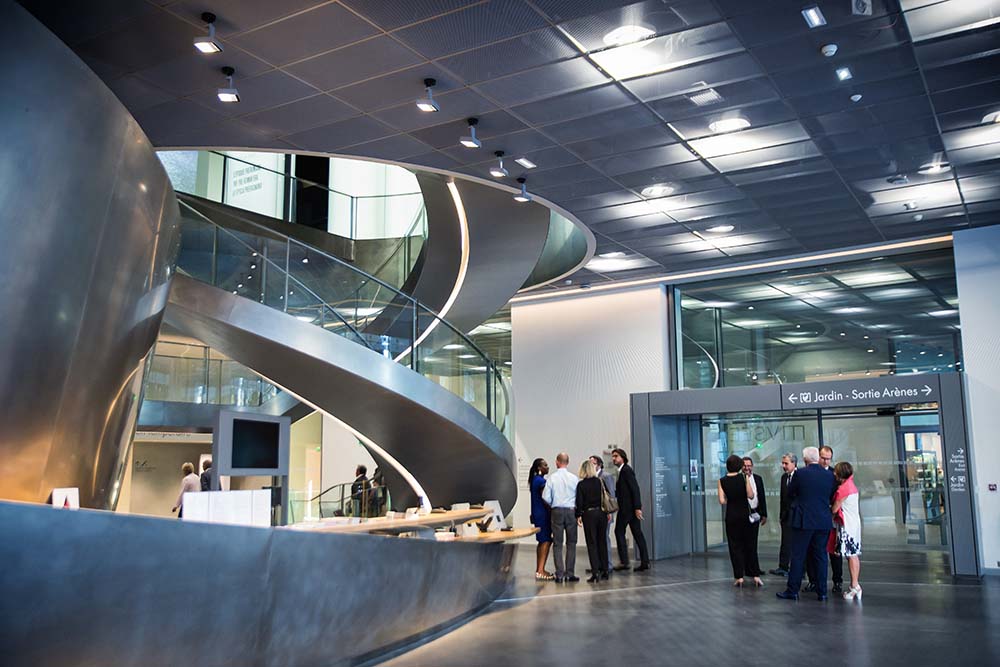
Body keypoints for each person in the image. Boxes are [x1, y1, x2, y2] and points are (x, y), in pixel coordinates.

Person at [777, 447, 836, 601]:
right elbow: (832, 495)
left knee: (798, 556)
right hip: (823, 521)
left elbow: (790, 493)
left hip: (803, 521)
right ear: (818, 458)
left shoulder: (800, 474)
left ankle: (792, 590)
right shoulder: (830, 475)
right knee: (821, 556)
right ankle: (822, 592)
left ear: (805, 460)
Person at [805, 445, 845, 594]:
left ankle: (837, 581)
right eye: (823, 458)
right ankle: (813, 581)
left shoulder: (835, 475)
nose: (826, 461)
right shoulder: (808, 473)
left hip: (830, 517)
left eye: (828, 459)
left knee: (834, 552)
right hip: (813, 517)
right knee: (812, 551)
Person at [718, 455, 760, 587]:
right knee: (750, 545)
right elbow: (751, 495)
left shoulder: (721, 480)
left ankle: (739, 577)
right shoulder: (743, 477)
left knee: (734, 546)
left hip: (731, 516)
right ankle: (755, 575)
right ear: (739, 466)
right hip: (745, 516)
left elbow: (722, 500)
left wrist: (731, 499)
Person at [542, 452, 580, 583]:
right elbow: (578, 496)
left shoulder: (552, 478)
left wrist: (554, 504)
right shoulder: (574, 478)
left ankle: (559, 574)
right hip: (571, 511)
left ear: (557, 462)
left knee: (557, 544)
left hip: (557, 511)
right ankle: (570, 573)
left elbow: (546, 497)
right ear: (567, 462)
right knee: (571, 543)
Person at [611, 448, 650, 572]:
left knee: (619, 531)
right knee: (637, 534)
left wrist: (638, 507)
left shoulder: (626, 471)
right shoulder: (622, 471)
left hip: (627, 509)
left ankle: (624, 561)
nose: (613, 458)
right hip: (630, 509)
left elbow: (635, 489)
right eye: (613, 456)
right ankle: (644, 561)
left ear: (622, 457)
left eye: (616, 456)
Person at [576, 460, 610, 583]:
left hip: (589, 515)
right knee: (602, 542)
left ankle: (595, 573)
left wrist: (578, 515)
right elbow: (606, 496)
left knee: (592, 543)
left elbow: (579, 502)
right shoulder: (600, 481)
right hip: (602, 513)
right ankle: (605, 570)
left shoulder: (581, 485)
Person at [833, 461, 862, 600]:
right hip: (853, 523)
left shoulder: (843, 489)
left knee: (851, 555)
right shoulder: (851, 485)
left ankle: (855, 586)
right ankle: (854, 585)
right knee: (853, 555)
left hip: (847, 525)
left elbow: (835, 508)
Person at [770, 453, 798, 576]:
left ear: (794, 463)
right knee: (785, 541)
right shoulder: (784, 477)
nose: (784, 466)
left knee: (797, 543)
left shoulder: (800, 476)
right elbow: (783, 498)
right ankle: (783, 566)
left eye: (786, 463)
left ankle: (798, 569)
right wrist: (781, 514)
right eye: (783, 463)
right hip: (786, 515)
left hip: (797, 515)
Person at [528, 458, 554, 581]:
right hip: (543, 514)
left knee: (542, 541)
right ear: (539, 468)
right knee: (546, 540)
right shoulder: (541, 481)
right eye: (545, 465)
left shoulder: (534, 480)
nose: (547, 467)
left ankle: (540, 569)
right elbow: (546, 498)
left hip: (537, 513)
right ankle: (540, 570)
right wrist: (553, 509)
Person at [742, 456, 768, 581]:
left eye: (749, 465)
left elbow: (762, 496)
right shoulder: (739, 480)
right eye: (745, 465)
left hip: (756, 513)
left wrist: (764, 514)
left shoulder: (758, 478)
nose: (747, 468)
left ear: (752, 466)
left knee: (753, 543)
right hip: (743, 515)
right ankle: (746, 568)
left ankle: (754, 568)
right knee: (744, 543)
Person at [590, 454, 616, 570]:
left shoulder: (606, 476)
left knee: (604, 538)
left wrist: (609, 512)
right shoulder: (591, 477)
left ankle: (608, 565)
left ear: (599, 464)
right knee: (596, 539)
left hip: (605, 512)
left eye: (593, 463)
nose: (591, 465)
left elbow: (611, 495)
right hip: (596, 513)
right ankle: (598, 565)